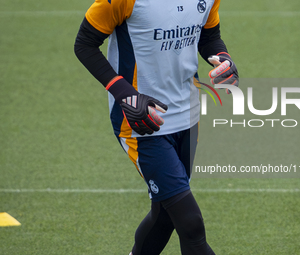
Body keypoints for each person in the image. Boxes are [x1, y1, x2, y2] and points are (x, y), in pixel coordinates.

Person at [74, 0, 238, 254]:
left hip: (189, 116)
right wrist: (126, 95)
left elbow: (209, 36)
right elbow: (84, 43)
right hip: (142, 124)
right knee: (190, 224)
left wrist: (224, 59)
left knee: (164, 214)